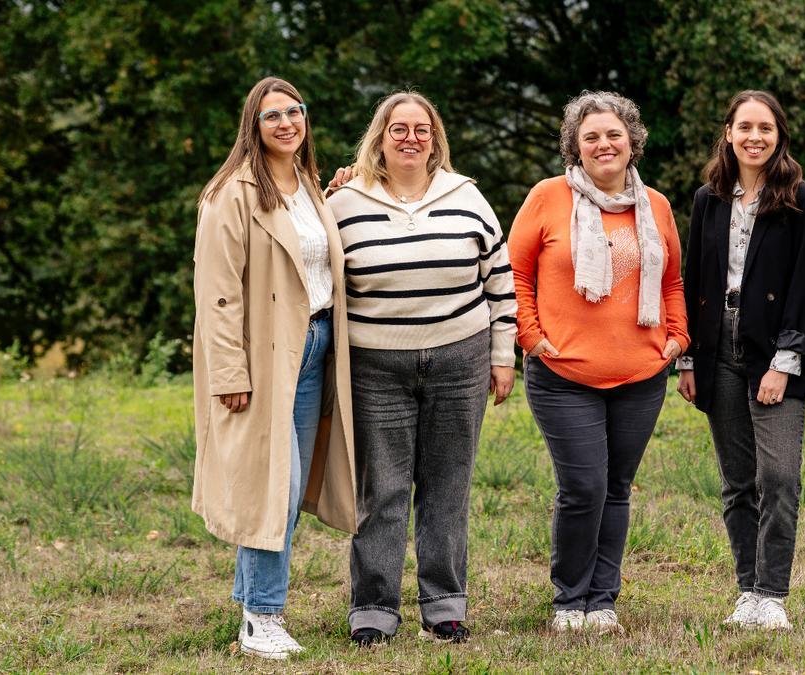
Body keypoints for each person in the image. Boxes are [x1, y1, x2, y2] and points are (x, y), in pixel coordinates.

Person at [326, 91, 517, 646]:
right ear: (379, 138)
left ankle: (444, 605)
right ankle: (374, 609)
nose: (410, 138)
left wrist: (502, 356)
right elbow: (311, 261)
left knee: (446, 486)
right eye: (398, 128)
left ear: (435, 139)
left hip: (460, 356)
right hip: (375, 364)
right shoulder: (343, 203)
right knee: (381, 489)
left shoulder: (467, 197)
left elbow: (499, 281)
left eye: (421, 129)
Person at [507, 91, 689, 635]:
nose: (604, 144)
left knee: (617, 487)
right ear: (576, 147)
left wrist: (677, 337)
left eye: (613, 134)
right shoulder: (547, 198)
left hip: (641, 374)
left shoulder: (654, 205)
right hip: (563, 374)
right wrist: (531, 337)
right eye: (591, 137)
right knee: (583, 486)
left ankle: (603, 598)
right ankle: (569, 598)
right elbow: (512, 275)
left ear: (632, 141)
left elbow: (673, 279)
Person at [192, 76, 356, 660]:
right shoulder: (230, 194)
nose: (287, 122)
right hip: (263, 359)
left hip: (315, 347)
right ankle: (262, 616)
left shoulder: (310, 186)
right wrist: (229, 372)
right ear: (252, 127)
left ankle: (250, 604)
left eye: (295, 111)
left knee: (282, 487)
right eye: (272, 116)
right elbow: (216, 295)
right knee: (275, 490)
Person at [675, 90, 805, 631]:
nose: (755, 137)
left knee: (780, 477)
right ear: (729, 134)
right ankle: (747, 591)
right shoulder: (708, 199)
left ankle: (773, 594)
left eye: (765, 128)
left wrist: (783, 362)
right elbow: (693, 280)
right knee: (739, 481)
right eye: (745, 127)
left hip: (774, 352)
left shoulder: (801, 199)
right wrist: (687, 356)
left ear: (779, 135)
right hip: (718, 348)